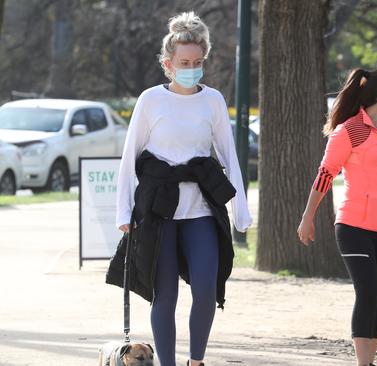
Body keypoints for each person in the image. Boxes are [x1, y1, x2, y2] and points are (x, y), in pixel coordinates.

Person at [114, 11, 252, 366]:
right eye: (184, 62)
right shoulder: (150, 101)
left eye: (198, 61)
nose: (192, 67)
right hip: (159, 211)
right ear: (168, 63)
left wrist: (241, 208)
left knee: (206, 289)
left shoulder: (214, 100)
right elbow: (130, 158)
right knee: (165, 296)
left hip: (201, 209)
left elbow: (228, 154)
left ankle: (196, 360)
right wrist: (123, 212)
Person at [297, 68, 377, 366]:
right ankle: (362, 364)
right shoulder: (349, 131)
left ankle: (370, 361)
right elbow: (325, 175)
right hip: (354, 226)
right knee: (366, 291)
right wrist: (307, 217)